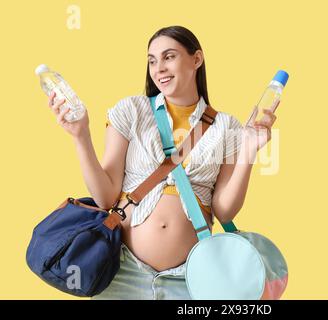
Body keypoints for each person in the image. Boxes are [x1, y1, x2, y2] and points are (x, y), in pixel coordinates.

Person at [48, 25, 278, 300]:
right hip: (122, 271)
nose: (159, 69)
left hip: (192, 276)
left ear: (196, 59)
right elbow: (105, 196)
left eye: (169, 57)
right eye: (152, 60)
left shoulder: (225, 126)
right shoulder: (131, 111)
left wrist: (249, 151)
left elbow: (224, 210)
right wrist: (81, 136)